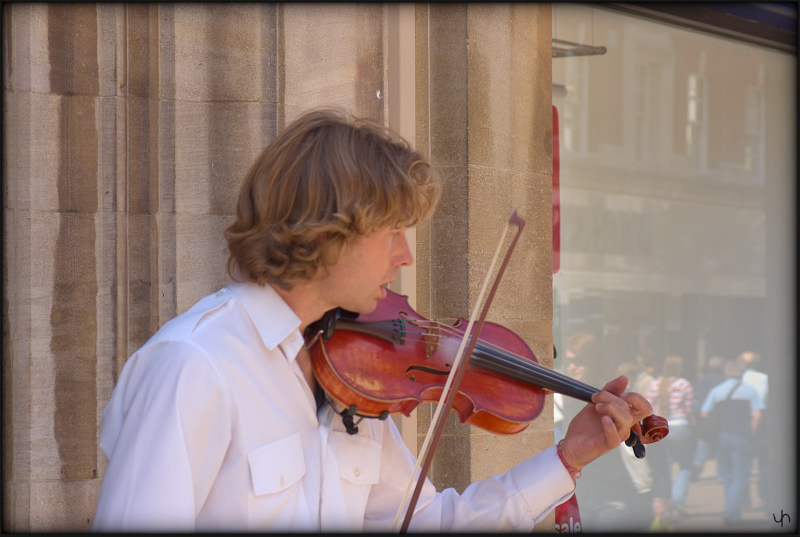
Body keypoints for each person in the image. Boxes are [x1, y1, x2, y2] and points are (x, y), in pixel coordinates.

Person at [91, 107, 653, 532]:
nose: (405, 256)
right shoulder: (195, 365)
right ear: (328, 231)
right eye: (393, 234)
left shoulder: (350, 378)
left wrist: (569, 457)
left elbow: (425, 522)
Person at [700, 358, 764, 526]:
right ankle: (730, 509)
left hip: (721, 437)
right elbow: (757, 414)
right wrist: (752, 434)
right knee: (741, 474)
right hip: (742, 436)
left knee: (726, 475)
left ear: (725, 372)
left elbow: (704, 413)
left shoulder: (717, 390)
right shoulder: (749, 390)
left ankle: (733, 512)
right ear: (742, 373)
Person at [644, 355, 695, 522]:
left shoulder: (655, 384)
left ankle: (662, 499)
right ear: (679, 368)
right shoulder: (684, 384)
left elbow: (648, 407)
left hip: (659, 428)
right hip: (680, 427)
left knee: (662, 466)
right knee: (686, 465)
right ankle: (677, 498)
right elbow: (688, 410)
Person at [737, 350, 769, 510]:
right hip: (761, 421)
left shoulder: (738, 379)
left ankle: (744, 500)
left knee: (741, 462)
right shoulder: (764, 378)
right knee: (763, 462)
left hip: (740, 422)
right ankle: (764, 498)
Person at [691, 355, 726, 476]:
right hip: (720, 416)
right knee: (719, 442)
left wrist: (697, 415)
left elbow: (696, 399)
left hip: (704, 416)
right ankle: (721, 471)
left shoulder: (701, 380)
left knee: (704, 441)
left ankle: (698, 463)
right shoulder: (724, 381)